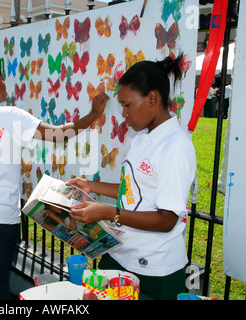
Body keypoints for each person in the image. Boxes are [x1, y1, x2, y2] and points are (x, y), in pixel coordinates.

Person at [0, 56, 108, 300]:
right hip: (1, 217)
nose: (5, 84)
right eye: (2, 79)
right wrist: (94, 113)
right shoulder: (10, 116)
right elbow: (60, 134)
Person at [67, 54, 197, 300]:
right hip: (120, 254)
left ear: (152, 98)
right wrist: (90, 185)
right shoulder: (142, 138)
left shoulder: (176, 147)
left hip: (155, 270)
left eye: (127, 105)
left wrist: (109, 213)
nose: (124, 114)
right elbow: (134, 189)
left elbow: (167, 219)